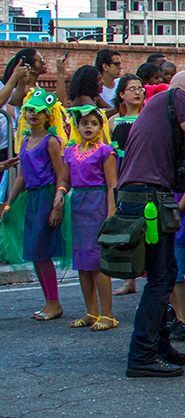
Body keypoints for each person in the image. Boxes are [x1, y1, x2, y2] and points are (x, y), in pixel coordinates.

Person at [118, 71, 185, 377]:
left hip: (140, 196)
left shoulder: (158, 111)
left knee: (163, 272)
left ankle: (159, 346)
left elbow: (181, 171)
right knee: (161, 278)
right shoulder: (175, 95)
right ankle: (142, 355)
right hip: (148, 200)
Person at [0, 90, 69, 320]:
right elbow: (22, 175)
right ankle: (49, 300)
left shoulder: (51, 141)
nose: (32, 115)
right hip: (31, 199)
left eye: (38, 111)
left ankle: (54, 302)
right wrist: (10, 201)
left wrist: (57, 204)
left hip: (46, 196)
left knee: (42, 252)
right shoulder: (26, 140)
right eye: (29, 110)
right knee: (36, 253)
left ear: (48, 116)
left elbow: (61, 174)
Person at [62, 106, 119, 331]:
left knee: (97, 261)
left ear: (100, 126)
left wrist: (110, 213)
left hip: (97, 204)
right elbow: (65, 180)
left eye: (94, 123)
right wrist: (60, 192)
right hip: (78, 206)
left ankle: (107, 314)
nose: (88, 127)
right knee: (82, 263)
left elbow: (112, 185)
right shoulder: (70, 151)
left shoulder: (106, 151)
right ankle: (91, 311)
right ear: (77, 125)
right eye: (84, 123)